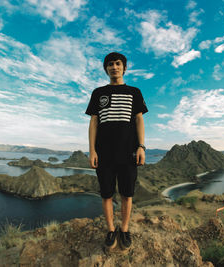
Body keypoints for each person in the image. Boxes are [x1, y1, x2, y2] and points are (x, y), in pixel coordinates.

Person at [85, 52, 148, 252]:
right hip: (104, 153)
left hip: (128, 152)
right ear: (106, 69)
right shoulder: (98, 93)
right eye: (110, 64)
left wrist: (141, 146)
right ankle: (111, 229)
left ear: (124, 67)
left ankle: (125, 229)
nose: (114, 67)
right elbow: (94, 122)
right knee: (106, 194)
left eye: (118, 63)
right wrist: (92, 150)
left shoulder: (134, 92)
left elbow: (139, 119)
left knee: (127, 194)